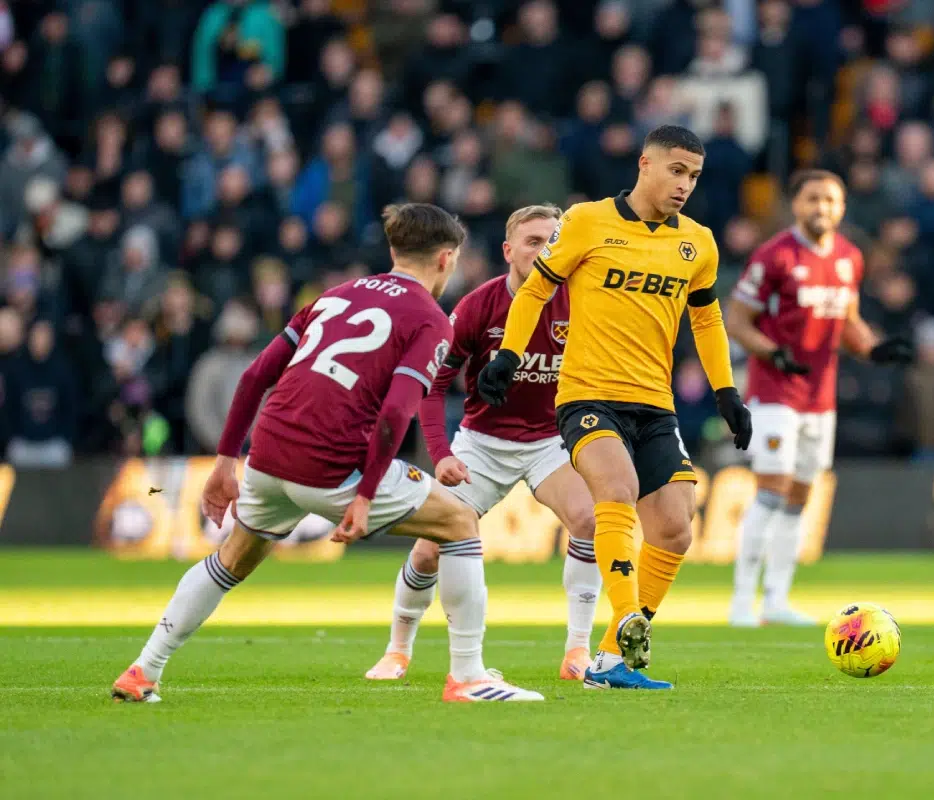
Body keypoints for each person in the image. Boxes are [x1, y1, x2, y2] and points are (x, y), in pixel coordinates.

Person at [111, 203, 542, 704]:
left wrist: (225, 464)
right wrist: (362, 496)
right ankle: (469, 677)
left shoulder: (334, 296)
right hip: (331, 462)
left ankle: (144, 668)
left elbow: (255, 376)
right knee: (460, 523)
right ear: (446, 259)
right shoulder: (430, 318)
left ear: (393, 251)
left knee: (229, 562)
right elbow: (396, 412)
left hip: (269, 454)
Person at [475, 125, 752, 690]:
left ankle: (607, 659)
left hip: (655, 403)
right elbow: (535, 291)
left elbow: (706, 318)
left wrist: (726, 391)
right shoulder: (586, 222)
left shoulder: (697, 242)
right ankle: (628, 615)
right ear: (645, 164)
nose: (684, 185)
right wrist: (508, 355)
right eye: (676, 171)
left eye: (694, 177)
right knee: (616, 490)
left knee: (676, 529)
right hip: (588, 394)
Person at [365, 204, 602, 684]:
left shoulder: (582, 301)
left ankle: (577, 650)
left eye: (553, 241)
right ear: (508, 250)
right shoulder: (477, 306)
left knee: (589, 519)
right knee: (431, 548)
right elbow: (433, 384)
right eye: (533, 241)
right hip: (483, 443)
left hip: (550, 440)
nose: (545, 250)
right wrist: (442, 454)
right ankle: (397, 649)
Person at [724, 170, 913, 627]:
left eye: (830, 200)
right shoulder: (774, 256)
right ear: (796, 204)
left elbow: (847, 320)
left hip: (819, 396)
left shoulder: (849, 257)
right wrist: (772, 353)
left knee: (800, 496)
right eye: (813, 199)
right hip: (774, 393)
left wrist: (872, 347)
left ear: (843, 207)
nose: (822, 208)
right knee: (771, 490)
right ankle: (741, 602)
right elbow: (737, 319)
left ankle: (776, 600)